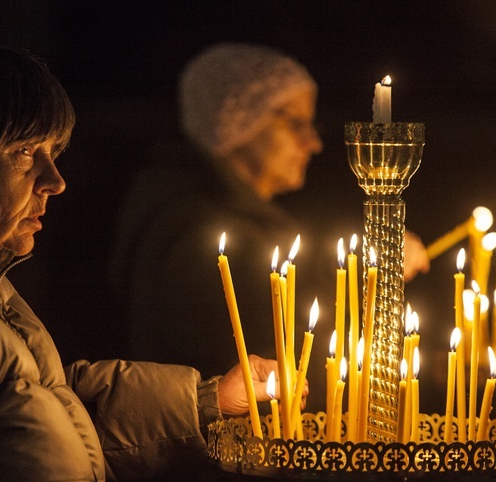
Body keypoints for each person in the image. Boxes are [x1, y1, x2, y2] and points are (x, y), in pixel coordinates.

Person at [0, 40, 284, 482]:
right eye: (25, 151)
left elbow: (41, 415)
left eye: (54, 152)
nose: (55, 181)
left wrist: (208, 401)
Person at [110, 43, 430, 412]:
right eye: (297, 124)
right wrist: (369, 287)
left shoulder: (222, 213)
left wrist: (363, 274)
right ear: (239, 121)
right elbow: (265, 359)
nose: (313, 143)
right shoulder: (198, 234)